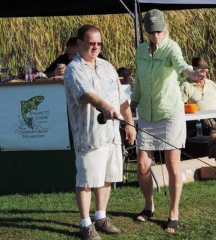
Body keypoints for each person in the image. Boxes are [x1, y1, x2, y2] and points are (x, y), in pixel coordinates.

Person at [130, 9, 205, 233]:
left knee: (172, 165)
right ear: (146, 31)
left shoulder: (172, 47)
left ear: (166, 29)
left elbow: (181, 66)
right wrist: (132, 104)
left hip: (170, 113)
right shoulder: (141, 50)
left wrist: (192, 74)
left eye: (159, 31)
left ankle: (174, 212)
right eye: (152, 32)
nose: (156, 36)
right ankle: (148, 205)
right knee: (142, 164)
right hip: (146, 113)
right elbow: (139, 81)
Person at [64, 24, 136, 240]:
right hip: (89, 134)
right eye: (91, 43)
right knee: (87, 179)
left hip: (112, 134)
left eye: (99, 43)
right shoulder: (74, 69)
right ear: (80, 43)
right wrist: (105, 106)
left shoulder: (107, 66)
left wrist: (130, 123)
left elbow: (122, 98)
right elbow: (86, 94)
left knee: (107, 177)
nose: (95, 47)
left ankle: (101, 217)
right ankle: (85, 224)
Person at [180, 57, 216, 161]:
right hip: (200, 122)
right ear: (194, 71)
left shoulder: (211, 83)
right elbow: (180, 105)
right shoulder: (186, 85)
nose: (204, 73)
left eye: (206, 71)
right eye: (201, 71)